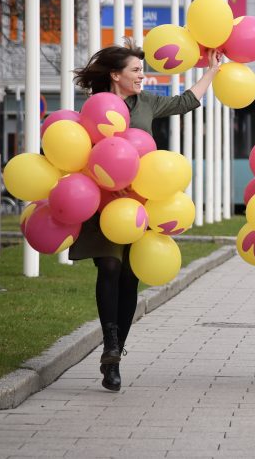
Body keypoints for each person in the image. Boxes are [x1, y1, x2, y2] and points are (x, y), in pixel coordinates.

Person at [69, 40, 221, 392]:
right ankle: (109, 344)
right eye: (136, 70)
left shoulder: (147, 102)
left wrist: (211, 70)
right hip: (103, 202)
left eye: (142, 70)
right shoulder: (94, 106)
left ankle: (116, 357)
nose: (142, 76)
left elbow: (186, 102)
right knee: (109, 266)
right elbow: (79, 151)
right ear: (115, 75)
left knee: (129, 279)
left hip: (141, 204)